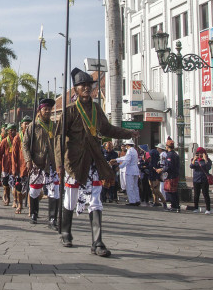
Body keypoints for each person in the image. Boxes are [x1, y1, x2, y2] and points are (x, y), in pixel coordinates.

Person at [56, 68, 134, 255]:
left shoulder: (97, 109)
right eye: (82, 85)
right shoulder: (69, 111)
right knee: (71, 199)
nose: (86, 88)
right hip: (74, 163)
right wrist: (59, 163)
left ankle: (97, 242)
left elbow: (108, 129)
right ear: (75, 89)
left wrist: (128, 133)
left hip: (93, 162)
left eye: (89, 86)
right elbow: (58, 139)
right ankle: (66, 231)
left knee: (96, 199)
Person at [23, 98, 58, 226]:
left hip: (52, 164)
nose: (48, 111)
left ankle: (53, 218)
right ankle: (34, 213)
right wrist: (28, 160)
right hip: (37, 162)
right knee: (34, 191)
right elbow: (25, 144)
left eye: (49, 109)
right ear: (40, 111)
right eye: (45, 109)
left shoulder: (55, 126)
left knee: (54, 190)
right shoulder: (33, 126)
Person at [117, 140, 141, 205]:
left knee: (129, 186)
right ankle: (137, 199)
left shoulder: (129, 151)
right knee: (135, 186)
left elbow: (127, 160)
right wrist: (117, 159)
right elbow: (125, 158)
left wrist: (120, 166)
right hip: (135, 170)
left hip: (130, 170)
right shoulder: (135, 150)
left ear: (128, 145)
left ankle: (132, 201)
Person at [160, 140, 181, 212]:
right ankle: (176, 206)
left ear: (168, 147)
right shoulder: (175, 154)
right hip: (175, 175)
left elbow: (168, 166)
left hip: (171, 175)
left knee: (170, 191)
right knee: (174, 191)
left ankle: (174, 206)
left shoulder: (170, 155)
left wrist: (161, 169)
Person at [190, 147, 212, 214]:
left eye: (201, 153)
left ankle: (208, 209)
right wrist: (194, 159)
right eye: (198, 153)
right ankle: (196, 208)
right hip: (196, 179)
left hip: (204, 179)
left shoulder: (208, 160)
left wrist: (205, 160)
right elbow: (191, 166)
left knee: (205, 194)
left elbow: (208, 167)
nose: (199, 155)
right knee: (196, 194)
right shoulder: (196, 160)